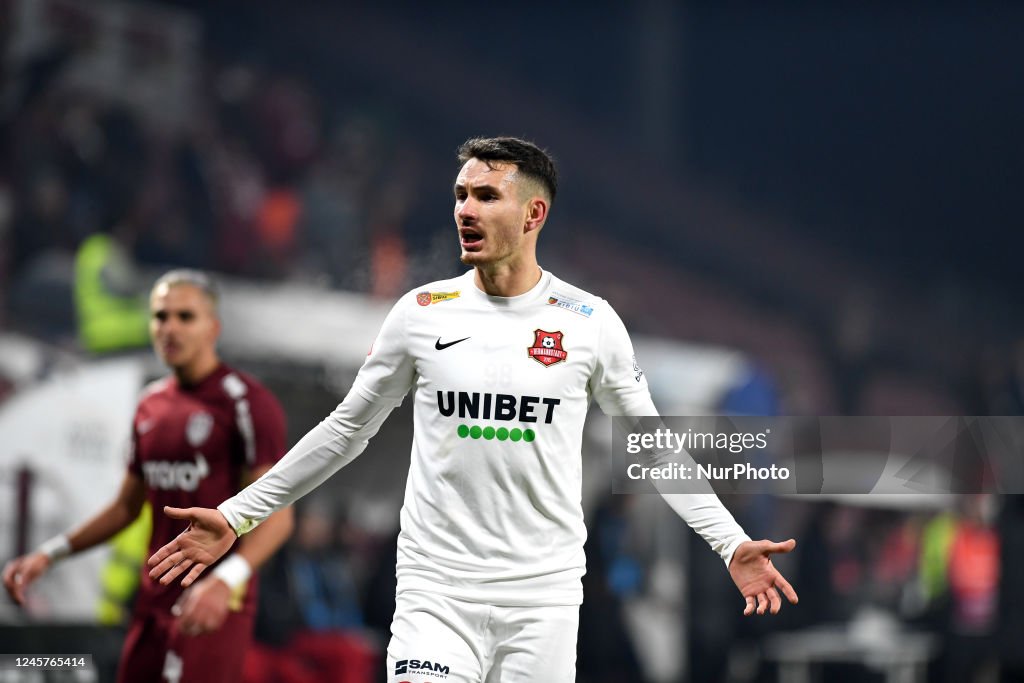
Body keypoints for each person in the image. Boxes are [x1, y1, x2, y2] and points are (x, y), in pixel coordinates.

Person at [147, 137, 798, 682]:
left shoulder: (590, 323)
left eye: (486, 195)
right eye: (460, 194)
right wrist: (237, 515)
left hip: (539, 599)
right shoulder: (421, 314)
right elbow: (346, 430)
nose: (466, 208)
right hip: (437, 592)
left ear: (534, 212)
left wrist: (730, 541)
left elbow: (655, 449)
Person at [3, 269, 294, 683]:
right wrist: (50, 553)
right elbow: (125, 507)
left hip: (210, 607)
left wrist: (225, 582)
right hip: (148, 607)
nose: (170, 328)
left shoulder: (247, 404)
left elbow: (278, 517)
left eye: (185, 317)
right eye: (161, 317)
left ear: (213, 327)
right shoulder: (149, 406)